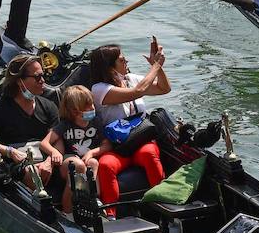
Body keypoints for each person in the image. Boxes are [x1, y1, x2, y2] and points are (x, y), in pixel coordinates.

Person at [87, 39, 171, 206]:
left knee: (149, 154)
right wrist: (155, 66)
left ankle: (161, 203)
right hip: (116, 146)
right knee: (106, 164)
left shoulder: (131, 79)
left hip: (140, 140)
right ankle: (110, 213)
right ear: (109, 66)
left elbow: (164, 88)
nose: (127, 62)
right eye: (121, 60)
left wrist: (158, 67)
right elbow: (136, 92)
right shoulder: (99, 90)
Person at [0, 54, 65, 192]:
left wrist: (49, 162)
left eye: (43, 75)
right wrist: (10, 152)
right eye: (37, 77)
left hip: (45, 158)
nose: (42, 81)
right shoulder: (0, 108)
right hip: (16, 163)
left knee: (75, 166)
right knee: (31, 172)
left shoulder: (49, 106)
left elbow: (58, 140)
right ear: (19, 80)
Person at [44, 85, 109, 214]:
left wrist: (92, 152)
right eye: (88, 106)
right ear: (75, 111)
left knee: (93, 163)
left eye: (92, 105)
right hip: (68, 161)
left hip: (87, 160)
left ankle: (93, 198)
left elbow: (106, 145)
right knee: (77, 166)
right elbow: (44, 143)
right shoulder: (64, 125)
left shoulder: (96, 122)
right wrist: (54, 152)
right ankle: (67, 212)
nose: (93, 108)